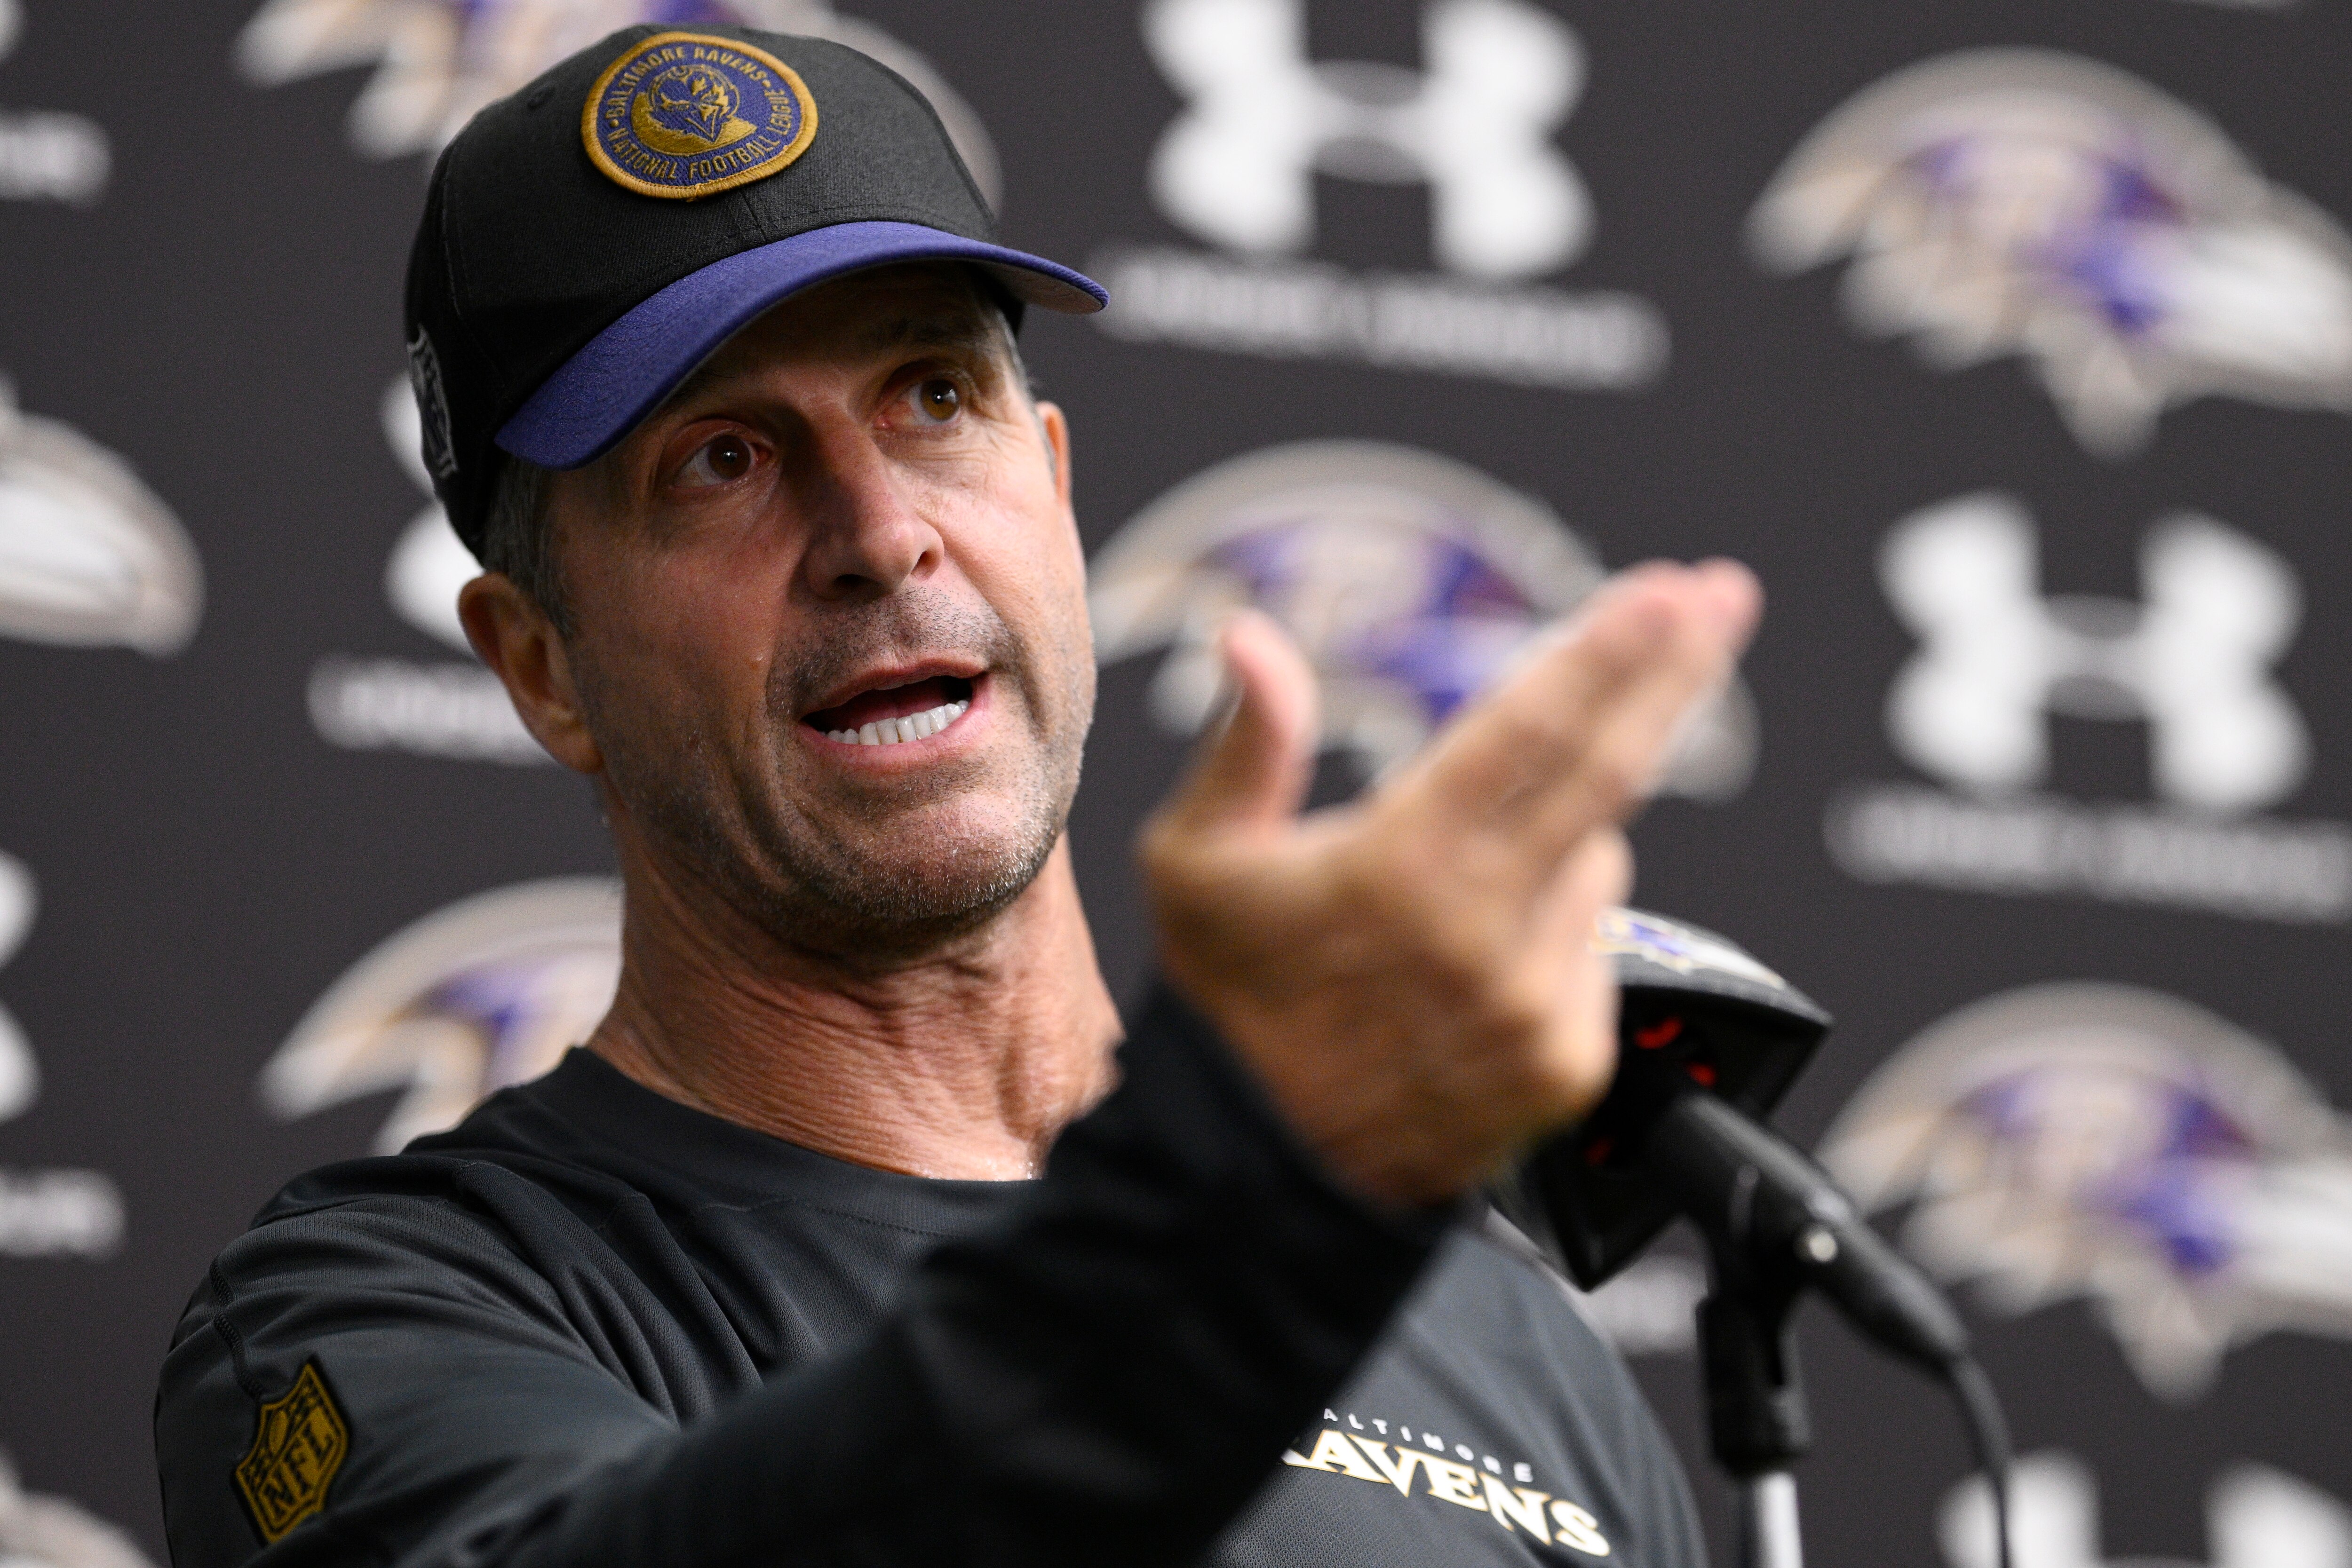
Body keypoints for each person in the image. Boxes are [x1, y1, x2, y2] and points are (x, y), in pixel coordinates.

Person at [155, 23, 1758, 1568]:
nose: (878, 529)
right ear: (542, 666)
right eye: (720, 458)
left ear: (1055, 485)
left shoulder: (1486, 1313)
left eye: (933, 397)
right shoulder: (383, 1308)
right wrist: (1254, 1194)